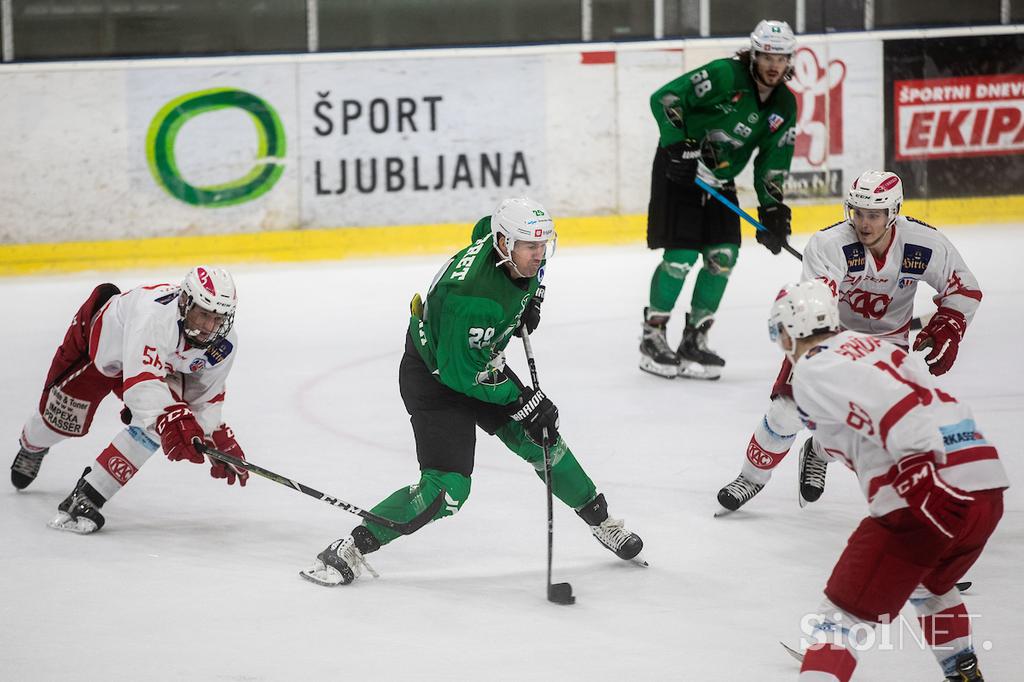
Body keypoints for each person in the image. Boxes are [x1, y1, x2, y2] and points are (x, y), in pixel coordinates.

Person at [302, 197, 644, 586]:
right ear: (504, 243)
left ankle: (602, 522)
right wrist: (522, 402)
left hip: (473, 357)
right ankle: (352, 545)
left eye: (542, 245)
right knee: (448, 490)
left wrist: (530, 298)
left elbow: (482, 226)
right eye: (530, 246)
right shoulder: (470, 299)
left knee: (543, 440)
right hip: (437, 378)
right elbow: (464, 377)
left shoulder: (498, 240)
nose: (539, 254)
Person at [767, 281, 1005, 682]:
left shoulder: (813, 368)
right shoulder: (878, 347)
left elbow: (899, 408)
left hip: (928, 490)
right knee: (930, 586)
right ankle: (964, 673)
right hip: (984, 480)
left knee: (838, 622)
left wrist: (920, 479)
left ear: (790, 330)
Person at [717, 170, 983, 512]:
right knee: (786, 411)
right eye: (858, 213)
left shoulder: (923, 243)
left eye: (874, 215)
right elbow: (817, 303)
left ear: (893, 212)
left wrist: (951, 322)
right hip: (830, 338)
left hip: (888, 347)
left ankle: (818, 451)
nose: (865, 223)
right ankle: (751, 477)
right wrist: (824, 353)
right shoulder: (830, 244)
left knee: (858, 428)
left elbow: (963, 287)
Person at [10, 266, 248, 533]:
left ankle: (87, 496)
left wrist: (210, 433)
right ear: (185, 302)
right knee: (59, 423)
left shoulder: (224, 344)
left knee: (163, 423)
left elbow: (205, 397)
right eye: (204, 314)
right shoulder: (154, 316)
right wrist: (171, 419)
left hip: (155, 367)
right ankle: (32, 446)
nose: (209, 327)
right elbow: (141, 385)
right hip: (97, 351)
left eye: (218, 318)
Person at [641, 19, 798, 380]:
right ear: (755, 54)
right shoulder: (725, 76)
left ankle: (694, 338)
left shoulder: (785, 105)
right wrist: (677, 143)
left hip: (721, 177)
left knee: (723, 256)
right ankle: (652, 335)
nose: (774, 66)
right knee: (680, 257)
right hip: (681, 167)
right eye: (768, 56)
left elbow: (773, 160)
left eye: (782, 58)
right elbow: (665, 98)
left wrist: (773, 209)